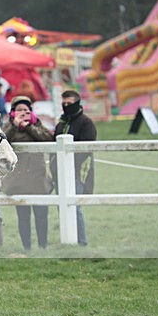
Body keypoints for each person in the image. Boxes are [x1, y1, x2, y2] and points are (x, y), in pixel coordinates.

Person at [0, 96, 54, 250]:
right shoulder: (7, 126)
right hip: (18, 179)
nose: (22, 113)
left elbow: (48, 139)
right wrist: (15, 125)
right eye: (19, 110)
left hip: (38, 178)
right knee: (23, 216)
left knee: (41, 215)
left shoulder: (37, 124)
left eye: (25, 110)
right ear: (13, 112)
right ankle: (27, 247)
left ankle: (43, 245)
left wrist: (28, 126)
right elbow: (3, 141)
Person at [51, 90, 96, 246]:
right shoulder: (61, 124)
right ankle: (69, 241)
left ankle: (81, 242)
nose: (66, 106)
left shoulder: (86, 123)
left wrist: (70, 165)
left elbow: (86, 149)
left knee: (75, 208)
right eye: (64, 103)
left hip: (77, 172)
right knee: (63, 208)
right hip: (59, 172)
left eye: (69, 103)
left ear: (77, 103)